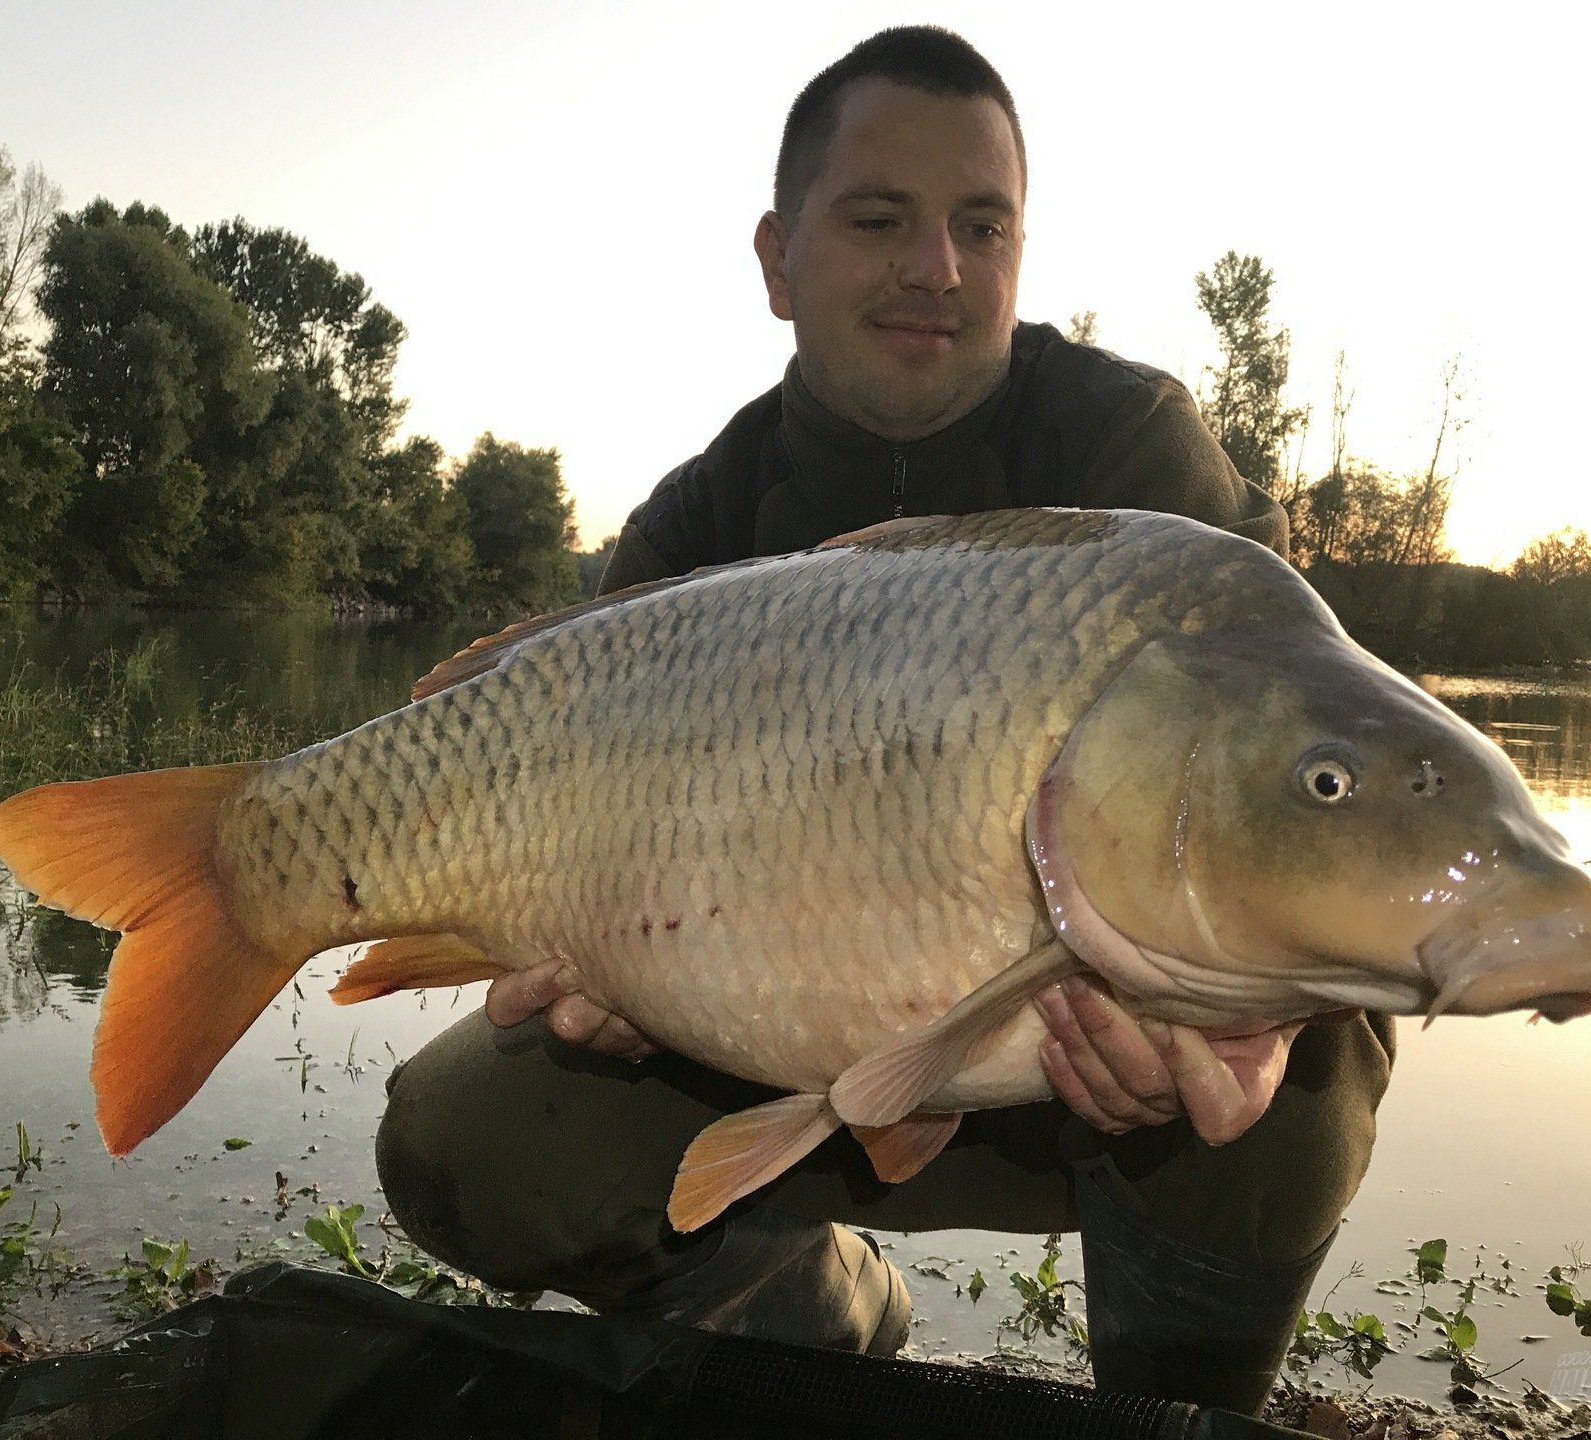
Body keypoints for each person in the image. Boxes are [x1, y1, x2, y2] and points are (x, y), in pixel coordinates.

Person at [376, 26, 1395, 1416]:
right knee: (460, 1135)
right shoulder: (697, 522)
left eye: (985, 225)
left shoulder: (1133, 460)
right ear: (778, 259)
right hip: (775, 1052)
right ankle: (811, 1328)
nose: (940, 268)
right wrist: (602, 967)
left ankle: (1177, 1403)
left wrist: (1246, 1025)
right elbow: (577, 870)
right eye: (880, 220)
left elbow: (1312, 764)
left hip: (1095, 1082)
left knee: (1301, 1035)